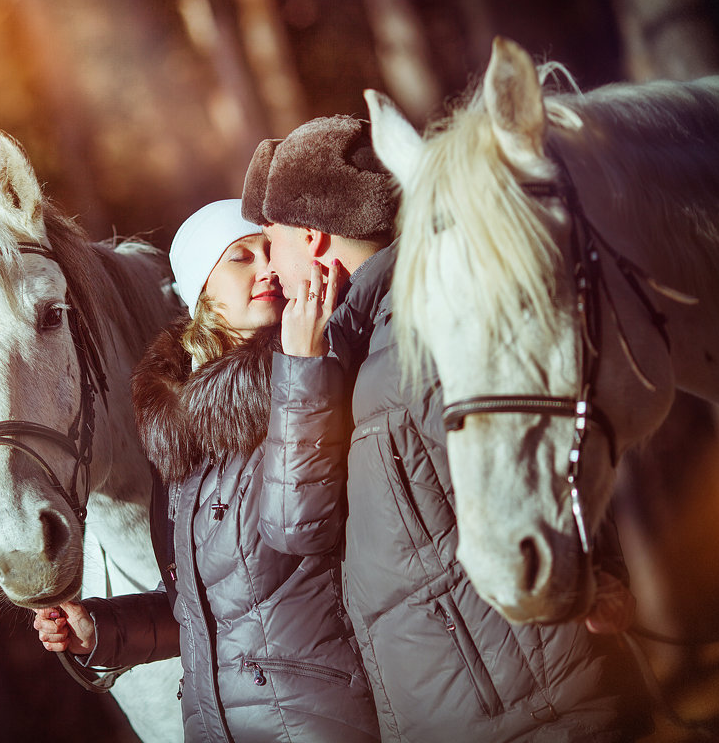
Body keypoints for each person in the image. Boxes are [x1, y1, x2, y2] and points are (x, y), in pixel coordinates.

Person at [242, 115, 648, 742]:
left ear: (315, 239)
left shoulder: (421, 327)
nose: (269, 268)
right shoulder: (354, 347)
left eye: (273, 242)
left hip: (533, 713)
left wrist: (603, 570)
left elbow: (535, 463)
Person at [33, 199, 381, 743]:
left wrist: (303, 369)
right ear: (201, 290)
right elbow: (199, 606)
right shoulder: (178, 429)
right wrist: (102, 630)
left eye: (271, 252)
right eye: (241, 256)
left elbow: (301, 526)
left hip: (313, 719)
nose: (267, 267)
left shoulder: (317, 371)